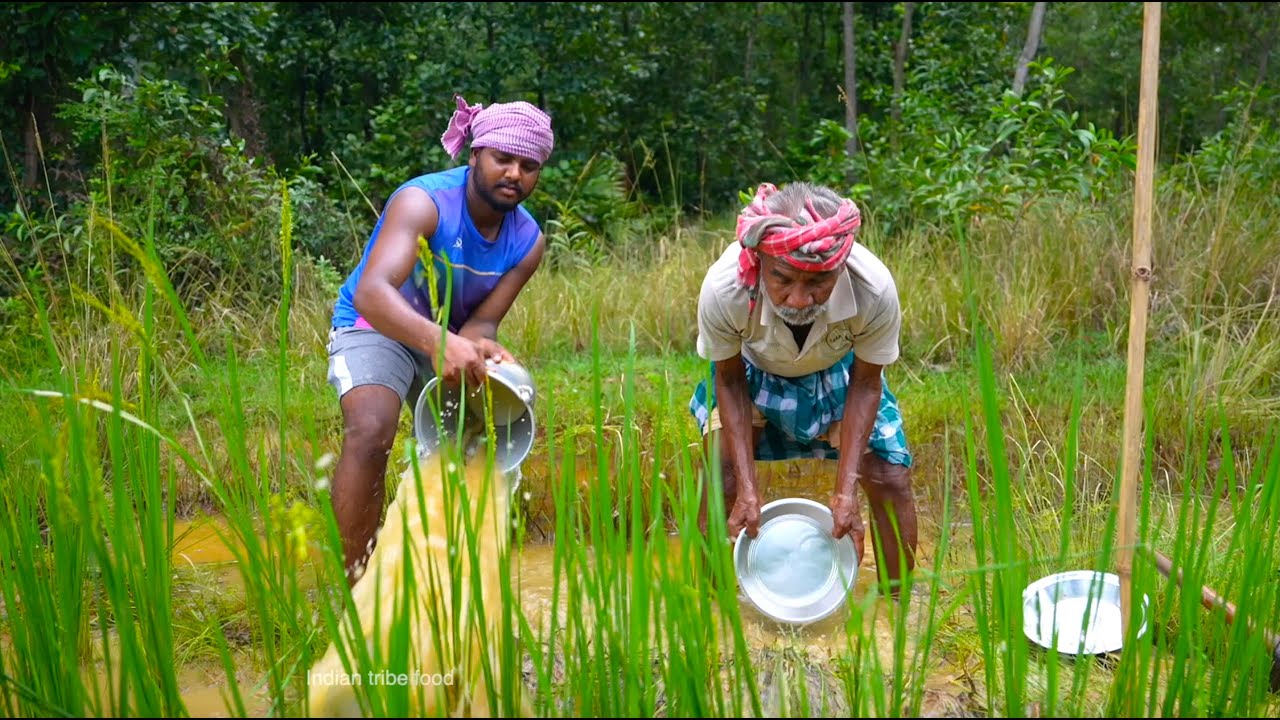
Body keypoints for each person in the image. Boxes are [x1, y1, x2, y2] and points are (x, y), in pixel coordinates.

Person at [326, 94, 553, 584]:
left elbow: (482, 324)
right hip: (377, 326)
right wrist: (439, 341)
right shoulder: (423, 202)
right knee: (371, 429)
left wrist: (481, 345)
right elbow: (372, 292)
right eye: (503, 159)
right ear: (474, 155)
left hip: (447, 338)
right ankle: (356, 583)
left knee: (473, 445)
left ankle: (442, 579)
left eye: (529, 165)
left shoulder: (528, 240)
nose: (515, 173)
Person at [690, 180, 918, 593]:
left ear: (841, 265)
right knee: (721, 474)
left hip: (839, 375)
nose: (798, 299)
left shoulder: (874, 288)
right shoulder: (725, 289)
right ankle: (715, 600)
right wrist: (747, 489)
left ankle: (896, 606)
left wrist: (846, 493)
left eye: (817, 283)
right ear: (759, 261)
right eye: (782, 279)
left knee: (889, 475)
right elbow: (728, 379)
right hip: (751, 373)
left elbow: (867, 385)